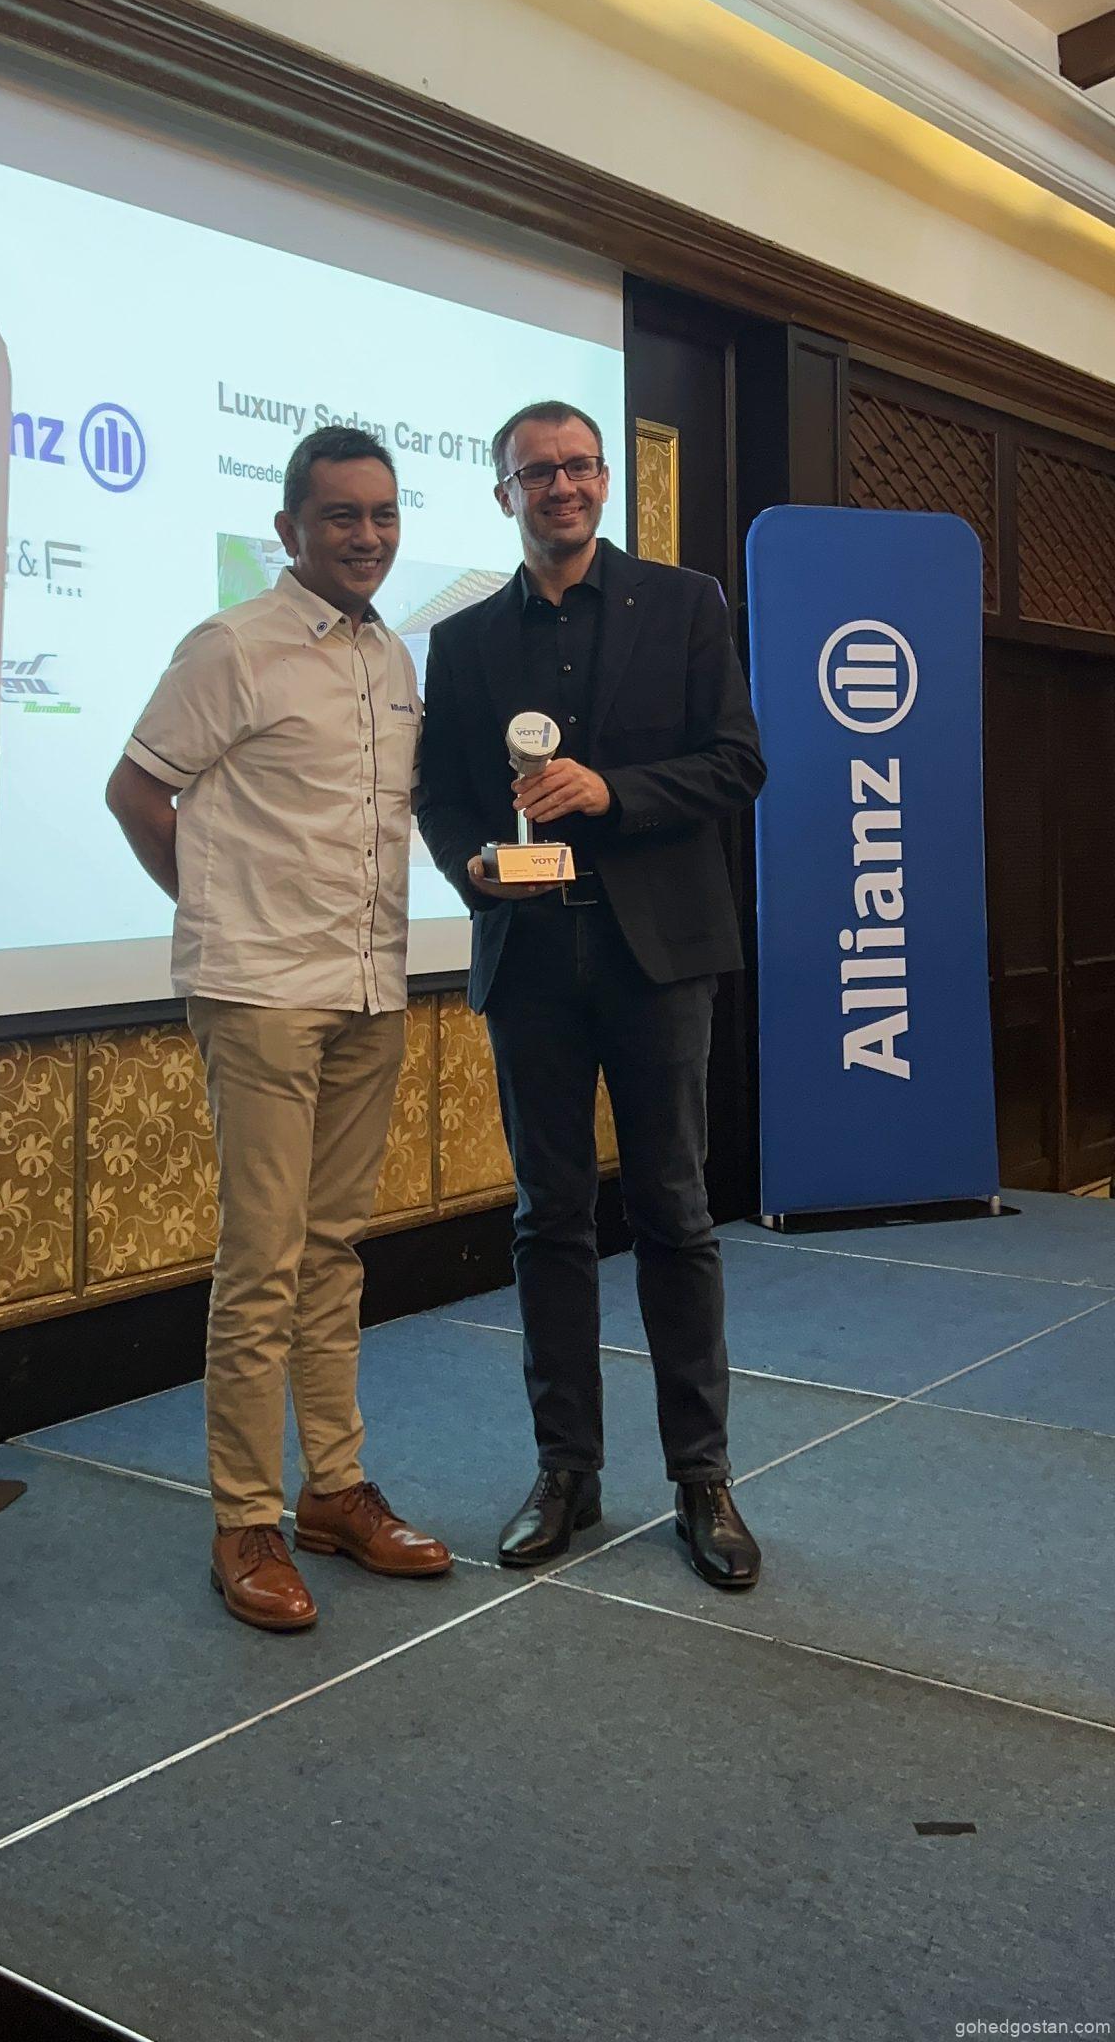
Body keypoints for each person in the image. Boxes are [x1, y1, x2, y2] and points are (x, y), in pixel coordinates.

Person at [107, 426, 452, 1632]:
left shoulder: (391, 655)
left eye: (384, 514)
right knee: (261, 1263)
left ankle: (334, 1490)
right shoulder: (232, 645)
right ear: (290, 528)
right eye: (342, 515)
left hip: (368, 988)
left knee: (334, 1252)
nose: (367, 535)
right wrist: (220, 915)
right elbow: (135, 789)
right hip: (260, 994)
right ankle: (244, 1517)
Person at [417, 400, 766, 1586]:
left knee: (674, 1210)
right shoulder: (463, 640)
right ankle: (566, 1469)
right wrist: (471, 866)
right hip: (529, 958)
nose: (560, 486)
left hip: (656, 956)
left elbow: (739, 762)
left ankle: (701, 1475)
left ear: (604, 480)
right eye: (536, 472)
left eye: (577, 466)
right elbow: (441, 797)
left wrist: (612, 793)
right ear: (503, 493)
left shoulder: (687, 602)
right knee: (548, 1218)